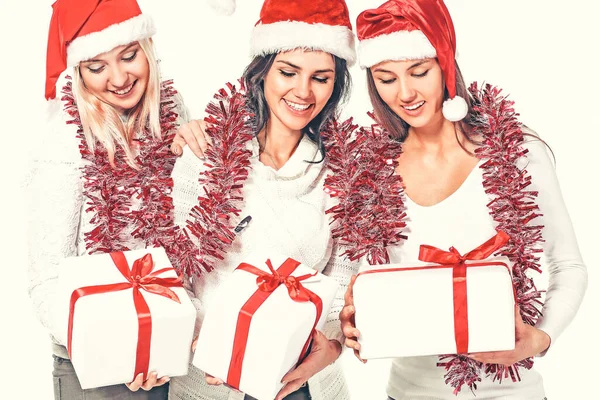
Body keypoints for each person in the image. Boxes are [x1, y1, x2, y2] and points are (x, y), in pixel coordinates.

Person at [337, 1, 588, 399]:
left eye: (419, 72)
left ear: (446, 64)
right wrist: (351, 319)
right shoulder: (371, 171)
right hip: (409, 391)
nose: (405, 93)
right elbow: (364, 280)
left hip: (512, 392)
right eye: (386, 78)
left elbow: (568, 265)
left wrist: (541, 338)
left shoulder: (514, 150)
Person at [167, 1, 358, 399]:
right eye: (288, 72)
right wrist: (213, 340)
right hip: (209, 379)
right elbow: (174, 266)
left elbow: (342, 275)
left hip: (303, 380)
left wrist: (329, 343)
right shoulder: (205, 151)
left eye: (320, 78)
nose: (303, 92)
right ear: (262, 71)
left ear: (335, 85)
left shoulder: (344, 170)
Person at [27, 0, 190, 398]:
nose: (119, 78)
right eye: (97, 67)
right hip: (93, 360)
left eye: (129, 56)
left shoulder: (172, 112)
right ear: (79, 72)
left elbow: (191, 231)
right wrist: (114, 347)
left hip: (169, 352)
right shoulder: (66, 138)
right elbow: (46, 277)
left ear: (147, 46)